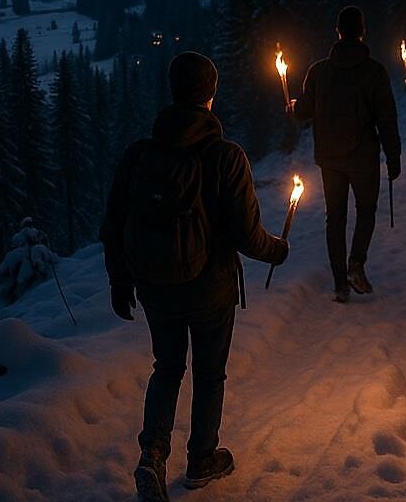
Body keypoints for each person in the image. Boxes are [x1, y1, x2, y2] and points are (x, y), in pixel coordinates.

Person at [101, 51, 289, 502]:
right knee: (209, 373)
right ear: (211, 95)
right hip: (211, 288)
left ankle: (152, 457)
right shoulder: (225, 156)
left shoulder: (140, 155)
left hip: (154, 286)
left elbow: (114, 223)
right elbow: (247, 234)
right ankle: (202, 459)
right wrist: (277, 251)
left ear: (173, 91)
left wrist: (119, 280)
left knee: (166, 367)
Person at [289, 6, 401, 303]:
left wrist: (292, 108)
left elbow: (305, 111)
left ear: (337, 32)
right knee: (366, 211)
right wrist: (393, 156)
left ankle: (340, 283)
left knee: (335, 218)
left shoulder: (319, 71)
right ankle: (356, 263)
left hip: (330, 158)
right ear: (362, 31)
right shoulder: (374, 71)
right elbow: (386, 118)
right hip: (364, 157)